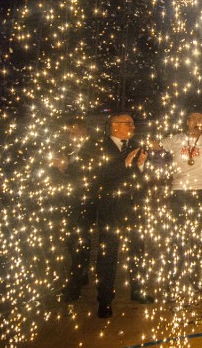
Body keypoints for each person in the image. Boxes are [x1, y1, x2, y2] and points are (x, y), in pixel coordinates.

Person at [153, 85, 202, 291]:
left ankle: (195, 279)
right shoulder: (176, 139)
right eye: (193, 118)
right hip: (180, 193)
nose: (197, 121)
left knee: (198, 238)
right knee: (178, 238)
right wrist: (139, 145)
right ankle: (173, 280)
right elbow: (154, 145)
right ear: (187, 122)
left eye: (200, 119)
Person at [80, 113, 152, 318]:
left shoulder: (137, 145)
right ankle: (104, 300)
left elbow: (142, 177)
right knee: (108, 253)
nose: (132, 126)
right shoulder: (96, 147)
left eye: (132, 122)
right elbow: (97, 176)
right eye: (127, 123)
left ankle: (138, 290)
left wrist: (140, 165)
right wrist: (124, 165)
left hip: (134, 206)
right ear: (113, 126)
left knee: (138, 249)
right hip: (110, 208)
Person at [54, 117, 94, 302]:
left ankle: (74, 284)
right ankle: (82, 274)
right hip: (69, 201)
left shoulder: (93, 148)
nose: (71, 134)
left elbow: (88, 175)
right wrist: (60, 170)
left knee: (80, 242)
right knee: (72, 242)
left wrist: (67, 169)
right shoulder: (67, 149)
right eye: (69, 131)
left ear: (85, 131)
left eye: (74, 131)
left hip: (85, 202)